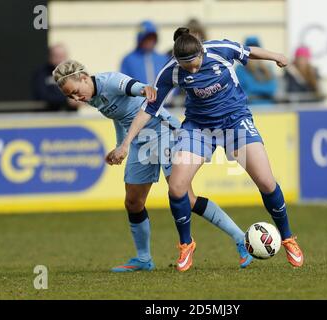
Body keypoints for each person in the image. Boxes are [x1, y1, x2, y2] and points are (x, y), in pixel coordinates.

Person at [113, 28, 305, 272]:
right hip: (199, 128)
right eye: (186, 67)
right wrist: (126, 143)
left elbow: (248, 52)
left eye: (194, 64)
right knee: (177, 187)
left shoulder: (219, 50)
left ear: (201, 52)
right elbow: (148, 109)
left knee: (267, 183)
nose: (191, 70)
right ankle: (186, 244)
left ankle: (287, 238)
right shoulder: (171, 70)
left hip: (235, 121)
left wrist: (276, 55)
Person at [52, 60, 253, 272]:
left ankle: (241, 238)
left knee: (186, 197)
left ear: (84, 78)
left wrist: (144, 89)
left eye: (75, 91)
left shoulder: (109, 81)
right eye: (70, 96)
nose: (76, 98)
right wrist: (121, 146)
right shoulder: (91, 97)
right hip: (140, 140)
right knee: (133, 202)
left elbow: (135, 87)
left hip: (163, 131)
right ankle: (143, 258)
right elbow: (120, 116)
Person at [32, 43, 80, 111]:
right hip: (48, 116)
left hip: (70, 117)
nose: (59, 60)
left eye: (62, 56)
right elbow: (42, 96)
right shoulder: (41, 73)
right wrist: (66, 100)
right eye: (56, 56)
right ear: (50, 57)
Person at [120, 20, 170, 85]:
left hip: (162, 95)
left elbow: (173, 81)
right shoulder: (128, 60)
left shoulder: (164, 59)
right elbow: (123, 83)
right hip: (137, 94)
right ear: (140, 39)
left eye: (152, 38)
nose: (150, 41)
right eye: (147, 38)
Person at [236, 36, 278, 106]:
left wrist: (252, 89)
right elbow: (240, 92)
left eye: (257, 50)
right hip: (249, 108)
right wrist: (262, 91)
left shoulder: (268, 68)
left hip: (269, 108)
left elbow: (272, 89)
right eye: (250, 51)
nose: (254, 54)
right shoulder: (240, 69)